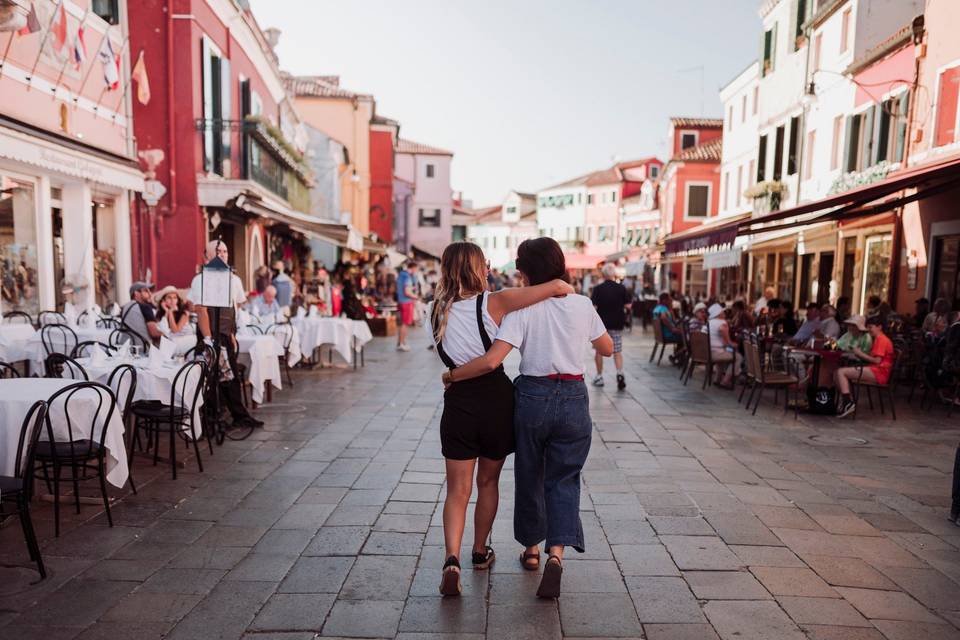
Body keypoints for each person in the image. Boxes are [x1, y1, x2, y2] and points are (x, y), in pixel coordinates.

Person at [441, 237, 612, 599]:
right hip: (548, 398)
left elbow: (496, 352)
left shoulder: (510, 311)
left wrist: (453, 375)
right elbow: (606, 347)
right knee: (558, 478)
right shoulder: (572, 304)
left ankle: (512, 553)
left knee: (520, 475)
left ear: (524, 271)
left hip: (506, 398)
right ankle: (548, 554)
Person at [187, 240, 262, 430]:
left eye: (225, 251)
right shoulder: (201, 279)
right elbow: (200, 309)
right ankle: (213, 418)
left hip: (226, 333)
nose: (222, 254)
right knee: (211, 377)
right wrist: (207, 338)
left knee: (230, 376)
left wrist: (233, 333)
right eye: (217, 251)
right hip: (209, 334)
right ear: (207, 256)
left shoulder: (233, 279)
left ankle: (236, 415)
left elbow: (234, 307)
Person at [835, 316, 895, 418]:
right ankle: (846, 400)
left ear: (879, 327)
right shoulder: (877, 339)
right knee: (837, 372)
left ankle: (848, 402)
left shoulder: (882, 340)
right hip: (875, 370)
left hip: (879, 373)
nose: (868, 330)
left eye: (871, 327)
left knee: (841, 372)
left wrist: (859, 353)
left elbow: (877, 361)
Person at [591, 263, 632, 390]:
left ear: (603, 275)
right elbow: (628, 306)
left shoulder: (598, 289)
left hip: (601, 326)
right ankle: (619, 373)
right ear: (613, 274)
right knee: (617, 350)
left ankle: (599, 376)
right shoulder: (621, 288)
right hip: (617, 324)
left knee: (599, 351)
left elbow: (593, 308)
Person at [707, 303, 740, 388]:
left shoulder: (709, 322)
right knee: (739, 357)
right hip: (715, 353)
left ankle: (717, 379)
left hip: (707, 352)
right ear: (719, 313)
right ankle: (725, 381)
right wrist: (734, 345)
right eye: (723, 311)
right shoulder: (722, 323)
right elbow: (727, 343)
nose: (725, 313)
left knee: (724, 352)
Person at [120, 281, 162, 346]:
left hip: (125, 347)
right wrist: (168, 336)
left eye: (150, 291)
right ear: (136, 293)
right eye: (146, 291)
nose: (150, 294)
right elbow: (154, 333)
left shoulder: (125, 307)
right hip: (143, 349)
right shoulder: (145, 307)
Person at [395, 261, 419, 351]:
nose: (416, 271)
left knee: (402, 324)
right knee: (405, 324)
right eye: (416, 269)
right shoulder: (407, 277)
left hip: (401, 301)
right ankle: (401, 343)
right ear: (413, 268)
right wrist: (416, 297)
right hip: (406, 302)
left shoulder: (401, 275)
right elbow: (407, 292)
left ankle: (400, 342)